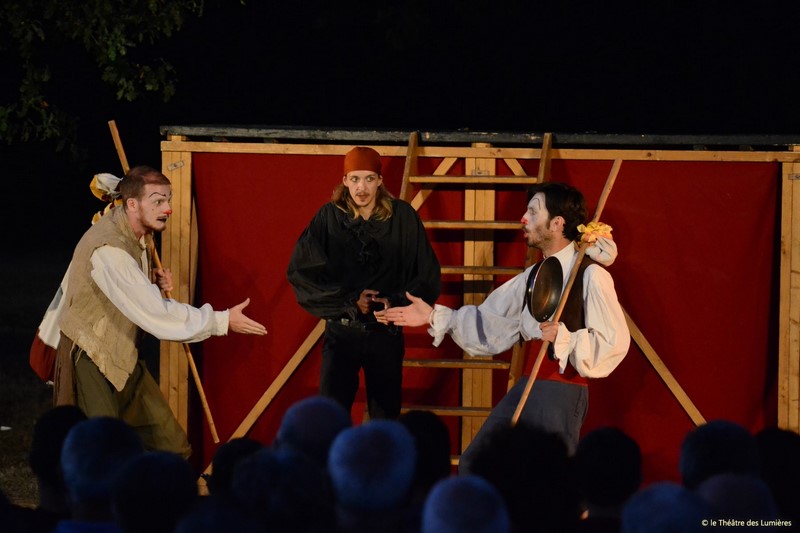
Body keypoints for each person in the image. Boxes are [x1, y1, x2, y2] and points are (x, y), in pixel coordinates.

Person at [385, 181, 630, 470]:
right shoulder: (533, 276)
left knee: (548, 477)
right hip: (529, 383)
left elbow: (613, 342)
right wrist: (433, 315)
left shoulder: (589, 275)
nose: (523, 219)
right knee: (477, 463)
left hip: (561, 389)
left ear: (557, 223)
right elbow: (490, 321)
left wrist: (566, 338)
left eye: (533, 212)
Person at [55, 165, 267, 457]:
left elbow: (130, 291)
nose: (168, 209)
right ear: (132, 204)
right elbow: (154, 313)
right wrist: (222, 320)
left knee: (172, 446)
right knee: (102, 452)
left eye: (168, 199)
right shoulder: (109, 249)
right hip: (91, 355)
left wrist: (149, 281)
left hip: (123, 355)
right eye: (157, 201)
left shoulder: (137, 232)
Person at [287, 146, 441, 419]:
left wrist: (394, 302)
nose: (362, 187)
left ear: (380, 181)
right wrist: (349, 301)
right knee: (331, 416)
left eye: (369, 179)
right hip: (342, 333)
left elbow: (426, 273)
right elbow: (302, 273)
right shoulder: (329, 217)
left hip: (386, 334)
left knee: (385, 417)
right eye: (355, 179)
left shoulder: (402, 217)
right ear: (345, 181)